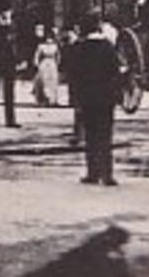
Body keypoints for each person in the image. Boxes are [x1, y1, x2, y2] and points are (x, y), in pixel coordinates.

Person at [68, 13, 123, 186]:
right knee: (105, 135)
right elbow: (115, 71)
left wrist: (75, 98)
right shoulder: (107, 47)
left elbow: (73, 74)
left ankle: (92, 172)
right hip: (106, 96)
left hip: (87, 96)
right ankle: (107, 174)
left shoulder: (79, 48)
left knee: (91, 134)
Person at [32, 25, 60, 107]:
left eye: (50, 38)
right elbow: (37, 55)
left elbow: (58, 56)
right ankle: (43, 100)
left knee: (53, 81)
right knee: (44, 81)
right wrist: (36, 63)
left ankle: (52, 100)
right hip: (44, 63)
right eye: (48, 38)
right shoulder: (41, 46)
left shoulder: (55, 46)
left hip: (52, 63)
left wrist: (57, 63)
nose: (49, 40)